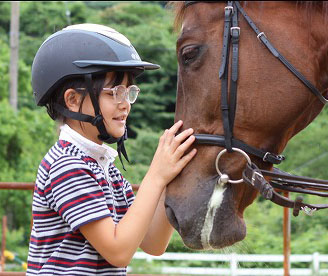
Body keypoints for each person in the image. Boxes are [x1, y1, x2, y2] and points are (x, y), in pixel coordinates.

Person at [26, 23, 197, 276]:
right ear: (73, 100)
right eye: (114, 93)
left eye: (128, 92)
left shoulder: (106, 169)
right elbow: (118, 251)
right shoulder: (66, 165)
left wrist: (170, 176)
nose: (125, 104)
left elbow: (153, 243)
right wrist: (156, 174)